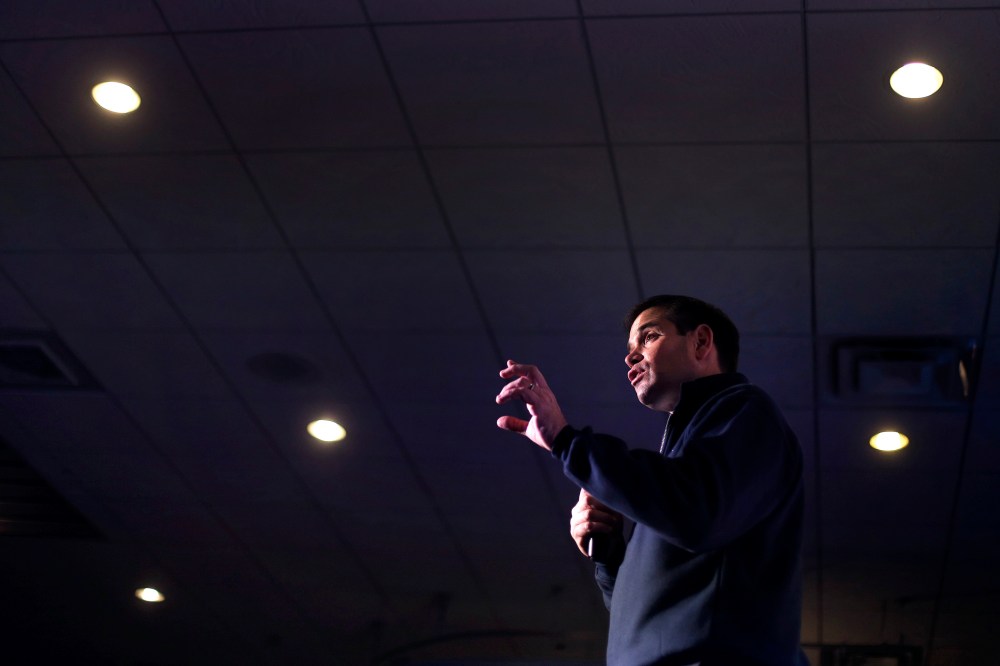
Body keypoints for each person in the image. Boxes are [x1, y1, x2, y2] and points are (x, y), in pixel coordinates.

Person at [495, 295, 808, 666]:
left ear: (701, 342)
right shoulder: (682, 461)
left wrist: (567, 441)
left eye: (649, 336)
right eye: (629, 348)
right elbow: (643, 608)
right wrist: (610, 557)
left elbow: (697, 515)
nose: (630, 356)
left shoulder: (746, 410)